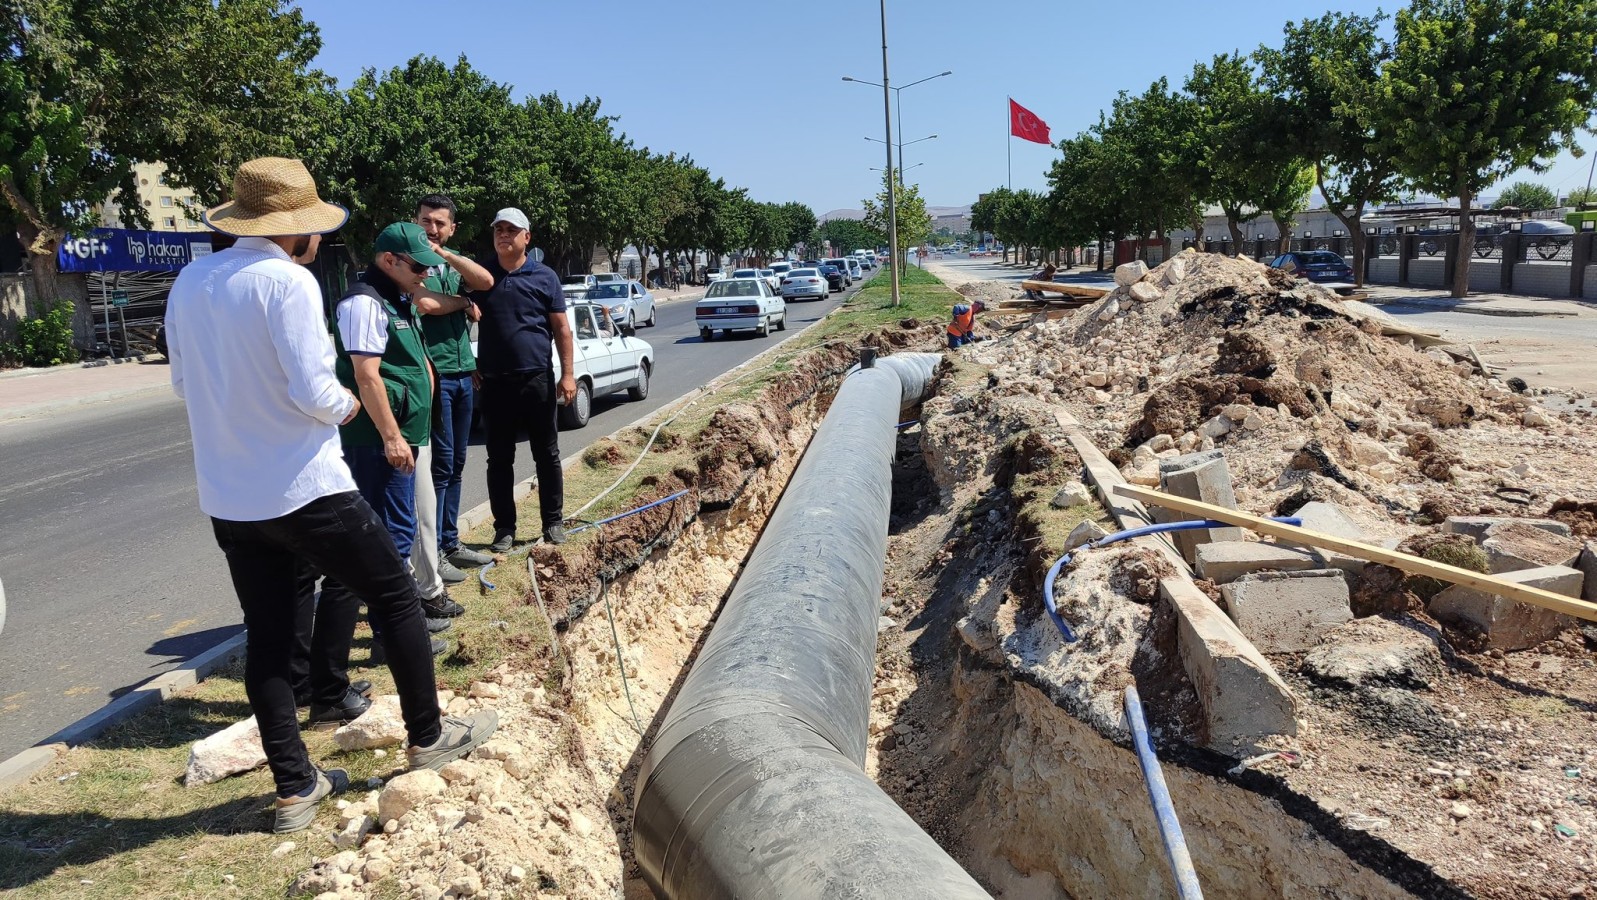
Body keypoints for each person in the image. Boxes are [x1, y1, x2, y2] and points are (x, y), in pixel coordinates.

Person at [165, 157, 496, 834]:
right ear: (296, 232)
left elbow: (181, 386)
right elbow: (315, 392)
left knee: (269, 636)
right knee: (396, 594)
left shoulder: (191, 281)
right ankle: (427, 736)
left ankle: (295, 787)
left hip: (231, 496)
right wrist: (351, 409)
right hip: (303, 485)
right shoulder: (287, 282)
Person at [330, 222, 463, 660]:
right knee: (392, 537)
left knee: (397, 534)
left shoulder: (396, 297)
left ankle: (401, 628)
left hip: (404, 435)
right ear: (389, 260)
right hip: (380, 441)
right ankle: (395, 638)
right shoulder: (364, 304)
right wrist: (391, 437)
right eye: (417, 267)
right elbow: (367, 377)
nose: (425, 274)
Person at [469, 208, 576, 550]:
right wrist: (466, 362)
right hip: (494, 383)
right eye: (498, 229)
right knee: (499, 458)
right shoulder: (480, 276)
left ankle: (553, 523)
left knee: (547, 454)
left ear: (526, 237)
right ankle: (504, 529)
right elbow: (458, 317)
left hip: (537, 380)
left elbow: (561, 329)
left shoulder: (545, 277)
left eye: (511, 230)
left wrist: (569, 374)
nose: (503, 235)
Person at [410, 195, 495, 588]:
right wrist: (462, 302)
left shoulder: (449, 256)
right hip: (436, 375)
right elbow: (424, 303)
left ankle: (450, 540)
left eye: (440, 223)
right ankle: (435, 553)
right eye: (426, 220)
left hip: (464, 374)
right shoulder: (411, 259)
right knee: (440, 466)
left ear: (451, 228)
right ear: (415, 220)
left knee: (458, 461)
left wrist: (447, 254)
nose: (431, 228)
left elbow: (485, 281)